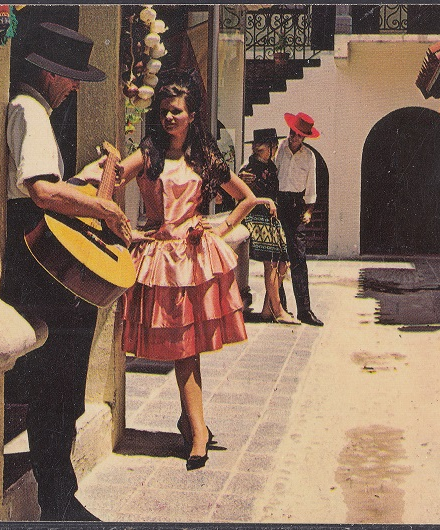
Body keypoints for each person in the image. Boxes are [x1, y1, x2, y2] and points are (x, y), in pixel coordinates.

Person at [1, 22, 131, 521]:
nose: (75, 86)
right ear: (50, 73)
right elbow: (40, 191)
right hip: (37, 264)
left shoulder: (31, 111)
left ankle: (60, 496)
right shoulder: (30, 110)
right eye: (72, 76)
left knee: (62, 382)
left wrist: (90, 182)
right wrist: (104, 209)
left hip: (42, 259)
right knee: (56, 383)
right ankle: (57, 501)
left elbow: (48, 185)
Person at [114, 70, 272, 470]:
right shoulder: (148, 154)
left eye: (177, 111)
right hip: (160, 260)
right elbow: (111, 181)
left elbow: (247, 197)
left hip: (195, 258)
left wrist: (221, 225)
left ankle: (193, 425)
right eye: (164, 111)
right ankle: (195, 427)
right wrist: (123, 226)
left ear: (192, 115)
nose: (169, 117)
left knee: (188, 347)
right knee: (183, 348)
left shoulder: (204, 157)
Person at [239, 128, 300, 324]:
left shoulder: (271, 167)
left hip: (271, 219)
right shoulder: (249, 169)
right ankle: (278, 310)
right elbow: (243, 196)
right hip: (257, 218)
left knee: (284, 263)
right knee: (273, 262)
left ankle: (268, 308)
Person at [275, 112, 324, 326]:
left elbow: (311, 188)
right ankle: (279, 307)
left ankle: (304, 310)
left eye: (299, 135)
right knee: (277, 257)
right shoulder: (278, 149)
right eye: (292, 133)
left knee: (299, 259)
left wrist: (309, 211)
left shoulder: (309, 157)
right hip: (277, 204)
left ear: (304, 137)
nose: (294, 138)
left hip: (296, 207)